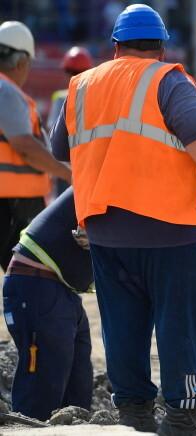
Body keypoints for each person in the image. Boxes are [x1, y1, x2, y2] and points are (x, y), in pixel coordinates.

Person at [49, 4, 196, 435]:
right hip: (173, 230)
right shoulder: (167, 80)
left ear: (115, 46)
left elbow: (60, 149)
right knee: (179, 323)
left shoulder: (82, 86)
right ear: (161, 47)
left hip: (108, 233)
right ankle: (183, 416)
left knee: (123, 325)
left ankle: (133, 416)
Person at [2, 187, 93, 421]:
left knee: (77, 389)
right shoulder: (112, 178)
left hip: (61, 288)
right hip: (37, 283)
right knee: (41, 391)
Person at [0, 21, 72, 271]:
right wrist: (67, 173)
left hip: (12, 199)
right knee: (33, 272)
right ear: (21, 63)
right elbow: (25, 146)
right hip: (14, 201)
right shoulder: (6, 91)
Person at [47, 46, 94, 196]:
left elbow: (53, 135)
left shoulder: (61, 97)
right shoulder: (96, 95)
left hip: (67, 168)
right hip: (89, 167)